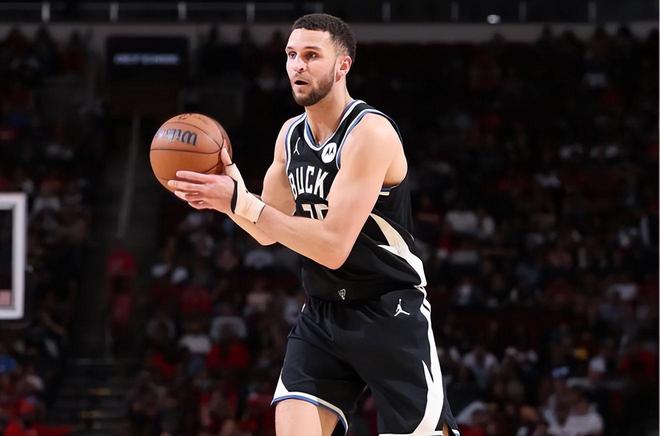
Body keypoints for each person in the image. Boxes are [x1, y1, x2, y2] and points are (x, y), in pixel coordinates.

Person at [168, 13, 460, 436]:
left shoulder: (370, 133)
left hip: (388, 308)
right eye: (291, 55)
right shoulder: (290, 135)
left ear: (342, 65)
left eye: (311, 55)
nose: (297, 66)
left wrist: (241, 202)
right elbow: (266, 229)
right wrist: (229, 200)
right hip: (323, 310)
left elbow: (333, 246)